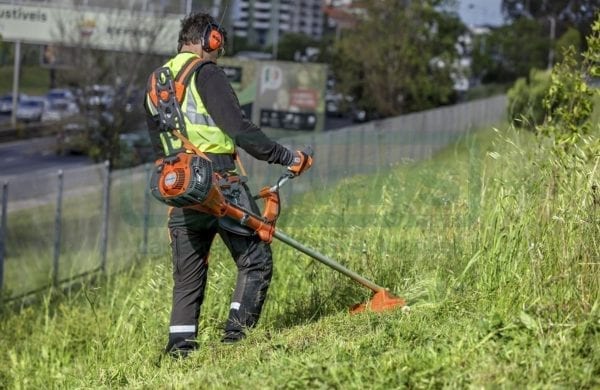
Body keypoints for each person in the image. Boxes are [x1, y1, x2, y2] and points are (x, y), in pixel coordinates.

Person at [143, 12, 312, 358]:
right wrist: (286, 156)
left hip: (181, 187)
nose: (218, 54)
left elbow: (159, 143)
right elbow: (239, 128)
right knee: (255, 259)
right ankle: (235, 342)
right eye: (218, 47)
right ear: (210, 40)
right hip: (221, 183)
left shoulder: (155, 83)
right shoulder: (206, 73)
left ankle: (179, 352)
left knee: (188, 277)